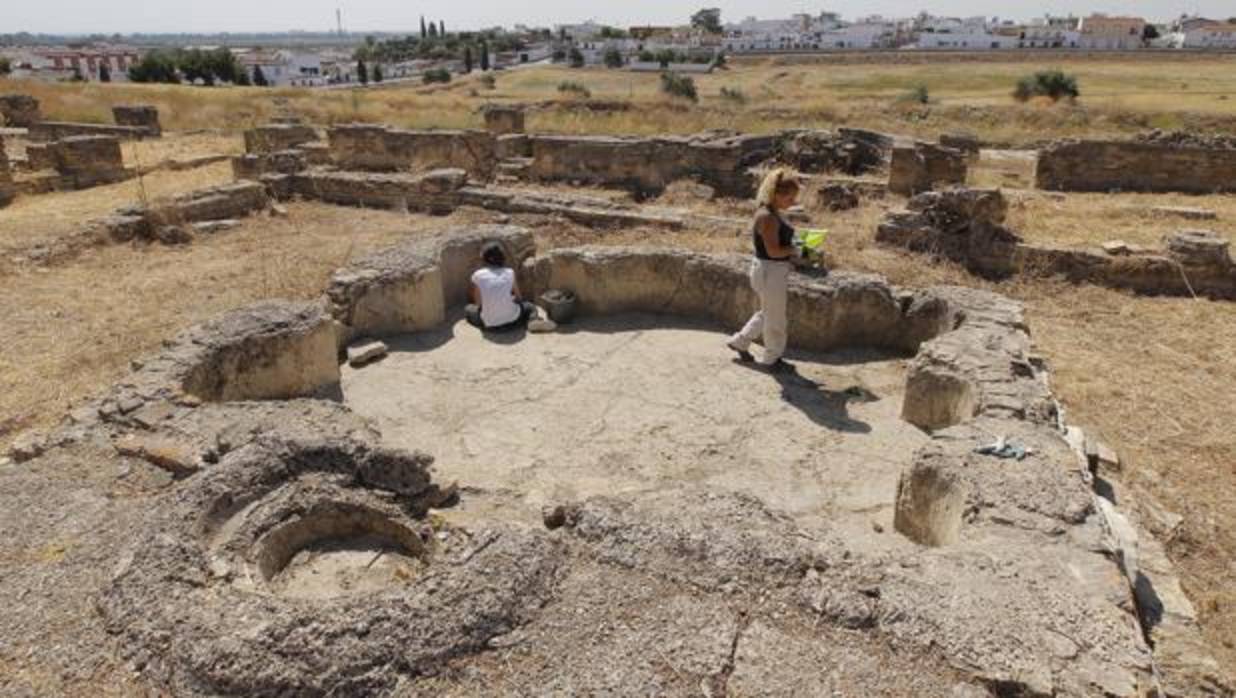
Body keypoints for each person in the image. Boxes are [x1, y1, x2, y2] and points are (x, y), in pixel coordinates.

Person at [726, 168, 802, 372]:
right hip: (770, 270)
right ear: (777, 194)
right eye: (790, 197)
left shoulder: (772, 212)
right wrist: (796, 250)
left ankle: (740, 341)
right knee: (776, 318)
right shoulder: (767, 217)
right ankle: (771, 359)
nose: (793, 202)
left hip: (771, 270)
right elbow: (774, 251)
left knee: (768, 312)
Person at [466, 242, 536, 331]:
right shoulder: (509, 272)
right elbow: (519, 297)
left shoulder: (478, 275)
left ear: (484, 258)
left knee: (468, 309)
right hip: (513, 321)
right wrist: (511, 299)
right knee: (530, 307)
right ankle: (532, 321)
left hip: (489, 325)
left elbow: (479, 303)